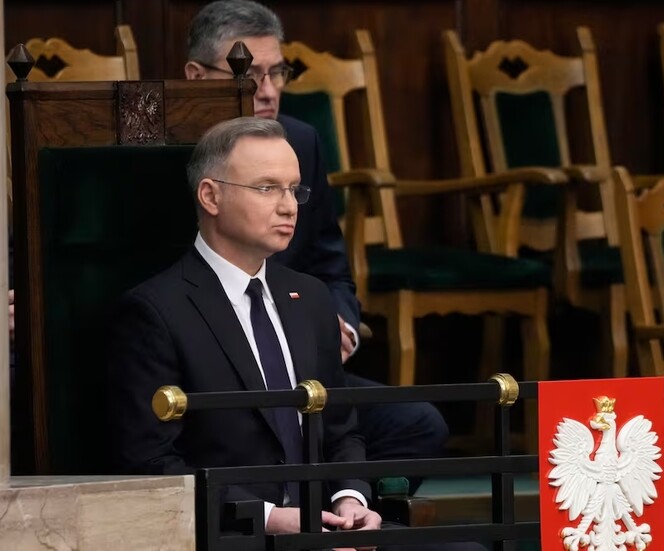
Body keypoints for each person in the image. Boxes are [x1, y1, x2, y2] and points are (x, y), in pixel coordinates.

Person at [107, 117, 481, 551]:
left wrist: (350, 499)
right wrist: (270, 518)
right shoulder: (154, 312)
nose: (289, 207)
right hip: (236, 535)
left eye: (294, 189)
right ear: (210, 196)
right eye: (267, 188)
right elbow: (151, 464)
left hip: (326, 529)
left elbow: (341, 431)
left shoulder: (311, 297)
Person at [184, 0, 447, 485]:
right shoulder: (171, 153)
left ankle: (347, 511)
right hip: (219, 375)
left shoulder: (300, 142)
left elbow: (331, 267)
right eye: (248, 74)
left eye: (277, 72)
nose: (267, 90)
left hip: (301, 367)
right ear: (197, 77)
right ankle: (289, 512)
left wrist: (339, 323)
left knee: (418, 423)